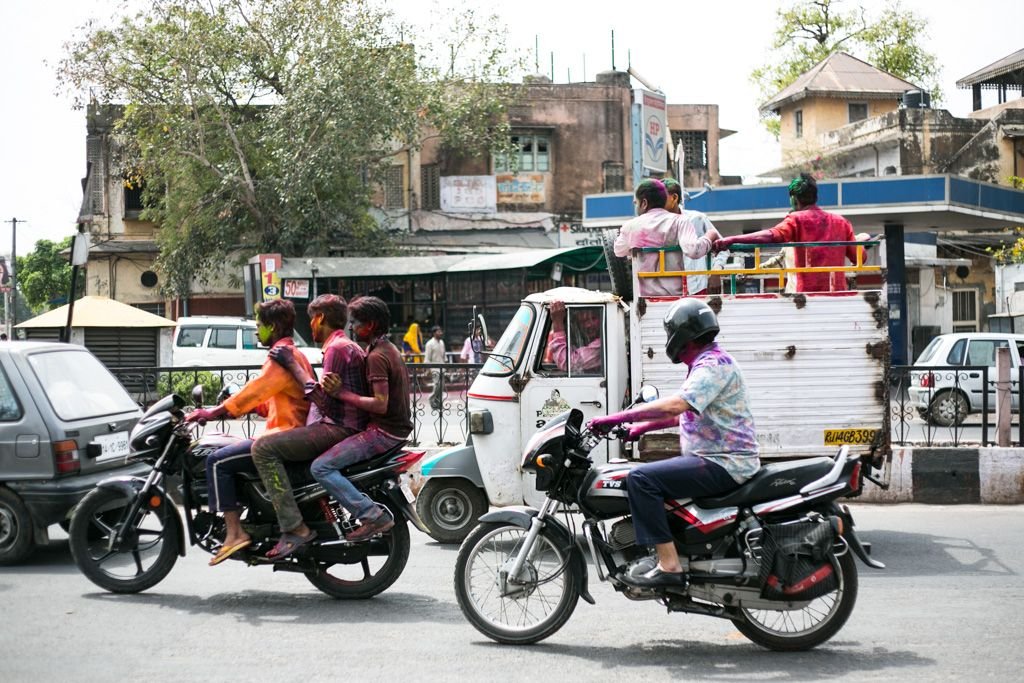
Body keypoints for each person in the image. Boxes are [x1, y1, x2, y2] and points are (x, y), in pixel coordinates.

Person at [587, 299, 760, 587]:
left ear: (681, 335)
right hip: (717, 459)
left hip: (723, 463)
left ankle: (669, 565)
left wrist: (613, 418)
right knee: (648, 476)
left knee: (641, 480)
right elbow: (685, 416)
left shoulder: (713, 365)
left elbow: (675, 406)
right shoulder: (709, 363)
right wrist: (639, 429)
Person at [184, 299, 314, 566]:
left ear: (273, 326)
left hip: (286, 434)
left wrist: (212, 412)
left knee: (217, 461)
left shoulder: (280, 356)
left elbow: (254, 391)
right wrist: (235, 410)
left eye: (259, 325)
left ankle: (234, 533)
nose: (256, 331)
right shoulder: (293, 354)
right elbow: (268, 399)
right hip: (290, 430)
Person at [253, 294, 369, 560]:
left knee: (262, 449)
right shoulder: (343, 345)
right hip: (341, 424)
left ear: (320, 319)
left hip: (337, 427)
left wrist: (294, 367)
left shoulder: (336, 348)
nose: (310, 327)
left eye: (311, 320)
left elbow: (325, 404)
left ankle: (294, 528)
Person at [318, 295, 413, 541]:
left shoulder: (377, 357)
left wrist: (340, 393)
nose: (350, 327)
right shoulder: (385, 348)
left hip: (384, 433)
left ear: (370, 325)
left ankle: (370, 514)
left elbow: (380, 405)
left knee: (321, 467)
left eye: (355, 322)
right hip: (395, 430)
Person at [712, 173, 859, 293]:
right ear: (816, 196)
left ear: (793, 199)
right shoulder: (841, 222)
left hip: (803, 298)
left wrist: (731, 240)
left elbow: (771, 235)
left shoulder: (796, 220)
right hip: (839, 296)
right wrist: (862, 239)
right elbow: (860, 258)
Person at [613, 179, 723, 296]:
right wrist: (710, 235)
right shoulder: (680, 221)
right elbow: (693, 251)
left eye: (636, 203)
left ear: (644, 203)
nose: (635, 207)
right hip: (675, 297)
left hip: (645, 299)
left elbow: (618, 251)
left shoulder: (631, 226)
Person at [547, 301, 603, 374]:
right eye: (583, 321)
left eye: (594, 318)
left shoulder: (602, 343)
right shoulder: (583, 340)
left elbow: (568, 363)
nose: (589, 325)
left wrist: (557, 322)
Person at [424, 325, 446, 410]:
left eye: (441, 331)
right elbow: (427, 358)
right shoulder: (429, 344)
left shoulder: (442, 342)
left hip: (442, 367)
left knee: (441, 387)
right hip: (434, 368)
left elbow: (444, 356)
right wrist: (428, 369)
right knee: (437, 385)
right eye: (438, 331)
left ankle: (439, 403)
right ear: (434, 333)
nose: (441, 333)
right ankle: (431, 399)